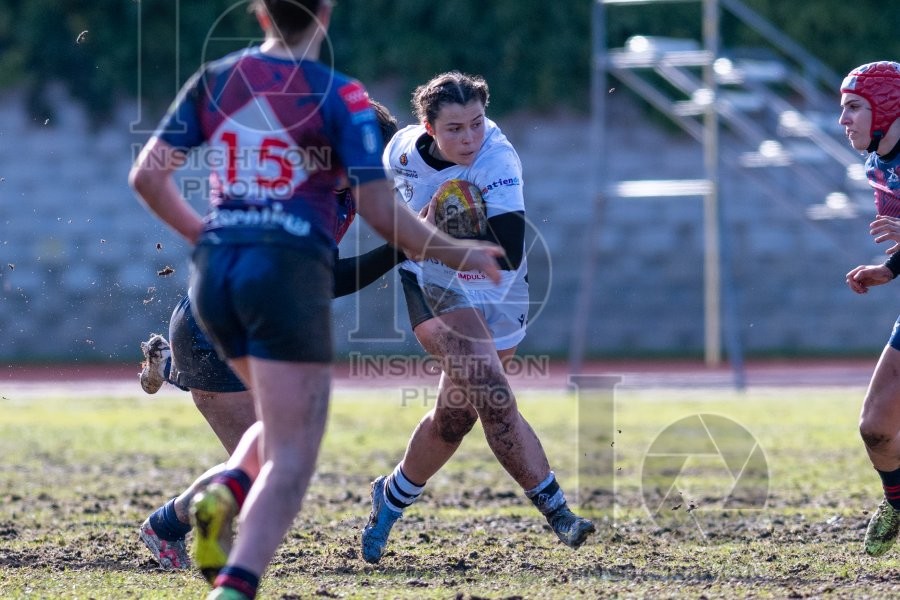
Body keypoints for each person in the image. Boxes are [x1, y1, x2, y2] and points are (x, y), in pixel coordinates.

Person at [128, 2, 504, 598]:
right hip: (279, 286)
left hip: (215, 281)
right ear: (324, 12)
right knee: (292, 460)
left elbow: (147, 177)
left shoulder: (220, 79)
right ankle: (229, 578)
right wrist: (455, 251)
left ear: (259, 12)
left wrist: (210, 237)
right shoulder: (341, 100)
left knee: (278, 438)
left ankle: (204, 485)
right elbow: (380, 220)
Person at [137, 101, 404, 572]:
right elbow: (328, 280)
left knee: (274, 457)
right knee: (271, 464)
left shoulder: (342, 188)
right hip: (215, 331)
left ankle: (170, 522)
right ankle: (172, 528)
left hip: (250, 329)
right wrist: (405, 247)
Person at [360, 71, 595, 565]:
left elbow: (507, 254)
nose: (469, 138)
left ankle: (392, 495)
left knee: (454, 418)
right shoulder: (399, 153)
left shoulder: (498, 159)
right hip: (431, 281)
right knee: (491, 388)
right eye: (454, 129)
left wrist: (438, 233)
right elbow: (385, 218)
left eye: (477, 123)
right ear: (427, 128)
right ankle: (558, 512)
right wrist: (421, 241)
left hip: (498, 287)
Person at [841, 61, 900, 557]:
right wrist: (891, 268)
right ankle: (898, 502)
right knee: (876, 429)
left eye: (855, 106)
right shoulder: (878, 165)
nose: (845, 120)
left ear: (889, 107)